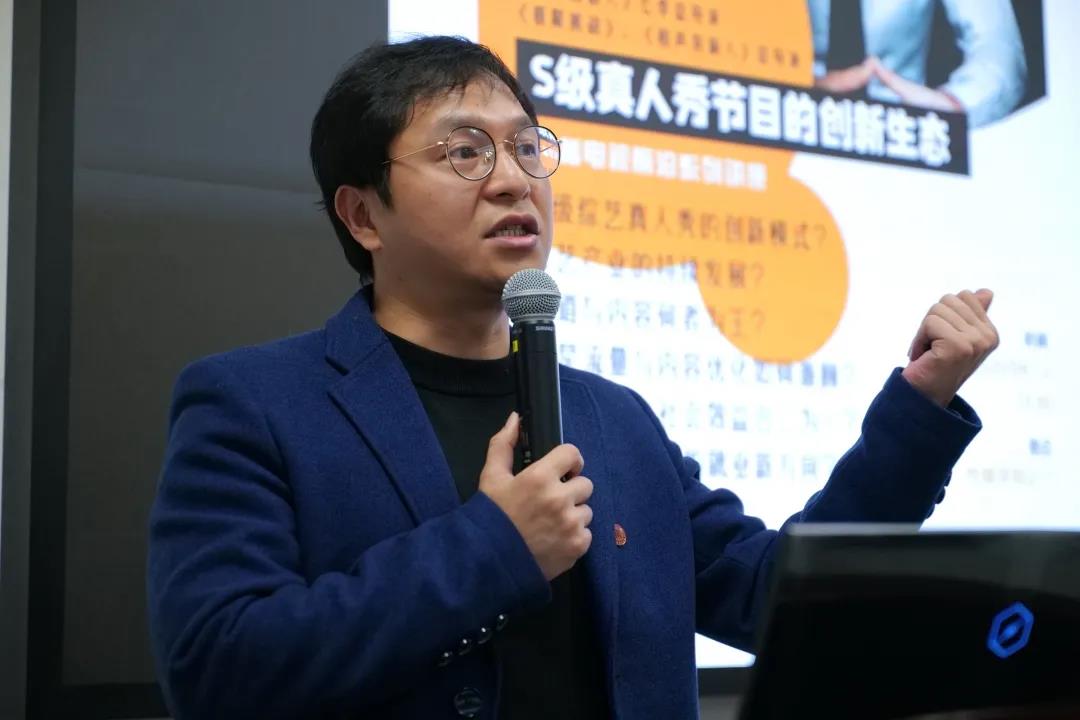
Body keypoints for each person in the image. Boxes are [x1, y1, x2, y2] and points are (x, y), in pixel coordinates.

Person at [146, 36, 999, 720]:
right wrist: (494, 549)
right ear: (364, 214)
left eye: (527, 148)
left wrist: (918, 409)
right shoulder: (255, 404)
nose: (514, 180)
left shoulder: (614, 418)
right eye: (465, 152)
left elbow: (773, 594)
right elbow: (219, 670)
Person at [808, 0, 1028, 128]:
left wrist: (954, 104)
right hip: (797, 119)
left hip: (906, 129)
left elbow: (997, 45)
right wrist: (800, 85)